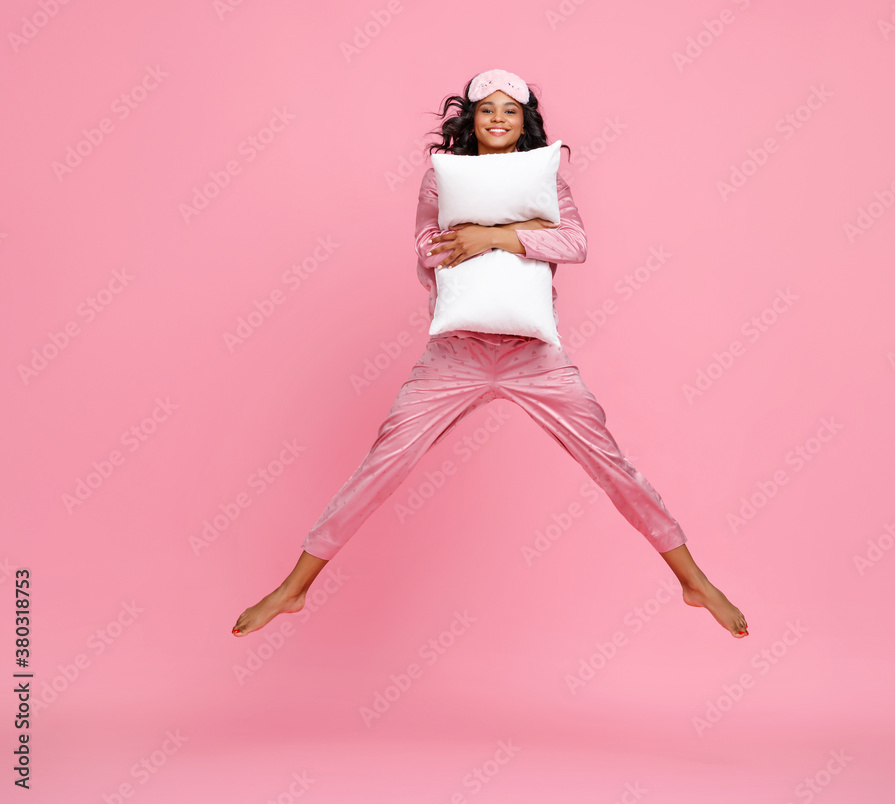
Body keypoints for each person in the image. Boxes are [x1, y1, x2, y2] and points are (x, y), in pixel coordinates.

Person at [233, 69, 748, 639]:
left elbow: (575, 243)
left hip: (533, 356)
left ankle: (693, 581)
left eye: (510, 111)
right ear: (470, 120)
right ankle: (295, 587)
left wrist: (495, 236)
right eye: (487, 110)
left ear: (524, 123)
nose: (498, 119)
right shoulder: (440, 182)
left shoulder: (547, 183)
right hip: (456, 354)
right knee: (381, 465)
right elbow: (428, 251)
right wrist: (507, 229)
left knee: (611, 463)